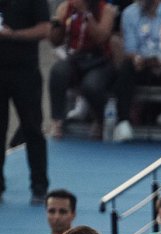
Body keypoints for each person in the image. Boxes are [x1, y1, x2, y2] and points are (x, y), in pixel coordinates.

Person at [111, 0, 161, 144]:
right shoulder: (129, 13)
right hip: (140, 65)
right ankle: (123, 122)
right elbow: (130, 48)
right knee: (125, 68)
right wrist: (137, 59)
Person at [0, 0, 50, 205]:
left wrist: (13, 35)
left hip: (25, 71)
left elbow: (45, 29)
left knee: (32, 130)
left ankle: (39, 186)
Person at [47, 0, 118, 139]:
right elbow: (55, 41)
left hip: (99, 60)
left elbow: (101, 37)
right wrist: (57, 23)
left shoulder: (106, 10)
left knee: (91, 85)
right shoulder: (66, 8)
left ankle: (99, 120)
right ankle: (57, 120)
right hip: (76, 58)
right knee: (57, 72)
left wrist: (86, 13)